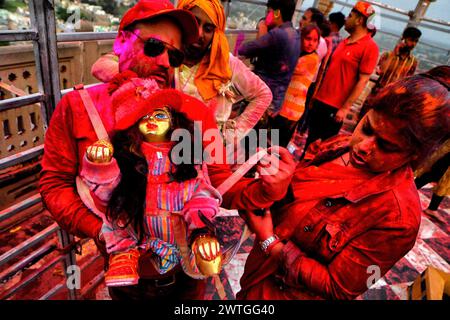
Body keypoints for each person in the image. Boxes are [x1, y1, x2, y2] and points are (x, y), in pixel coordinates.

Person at [40, 0, 296, 300]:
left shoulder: (195, 115)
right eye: (153, 47)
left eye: (174, 56)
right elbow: (54, 184)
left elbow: (221, 184)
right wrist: (106, 230)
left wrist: (267, 190)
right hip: (126, 273)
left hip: (187, 274)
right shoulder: (80, 108)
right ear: (122, 42)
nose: (164, 62)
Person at [237, 66, 450, 300]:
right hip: (257, 275)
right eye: (367, 128)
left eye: (386, 146)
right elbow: (299, 193)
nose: (363, 146)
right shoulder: (340, 145)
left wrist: (270, 242)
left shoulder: (397, 219)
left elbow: (340, 288)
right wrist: (279, 182)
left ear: (414, 155)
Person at [79, 74, 223, 288]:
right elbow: (107, 201)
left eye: (159, 115)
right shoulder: (124, 157)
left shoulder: (188, 153)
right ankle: (123, 253)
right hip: (139, 262)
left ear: (173, 119)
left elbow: (200, 193)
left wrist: (201, 231)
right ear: (131, 129)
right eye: (143, 118)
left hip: (182, 254)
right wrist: (100, 166)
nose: (152, 121)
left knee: (203, 262)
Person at [92, 0, 272, 147]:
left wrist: (231, 135)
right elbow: (101, 66)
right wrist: (144, 81)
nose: (200, 34)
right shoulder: (164, 56)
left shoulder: (225, 63)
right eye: (195, 22)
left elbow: (263, 95)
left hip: (209, 151)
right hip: (164, 144)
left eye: (208, 29)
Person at [305, 1, 379, 150]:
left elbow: (363, 80)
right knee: (309, 143)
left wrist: (345, 108)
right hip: (320, 101)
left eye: (350, 16)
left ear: (359, 20)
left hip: (335, 108)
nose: (346, 19)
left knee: (321, 148)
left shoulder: (370, 47)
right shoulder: (344, 42)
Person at [238, 0, 300, 129]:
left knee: (244, 136)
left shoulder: (277, 34)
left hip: (262, 97)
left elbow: (244, 50)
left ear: (276, 13)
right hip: (277, 99)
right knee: (259, 137)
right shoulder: (295, 34)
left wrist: (262, 28)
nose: (266, 16)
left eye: (268, 12)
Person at [358, 26, 422, 121]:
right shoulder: (387, 55)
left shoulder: (413, 62)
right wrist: (394, 54)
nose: (413, 44)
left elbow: (408, 82)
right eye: (411, 40)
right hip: (376, 96)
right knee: (362, 121)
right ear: (404, 38)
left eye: (416, 41)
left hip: (392, 100)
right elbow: (380, 71)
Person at [277, 25, 321, 146]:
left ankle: (265, 163)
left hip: (290, 110)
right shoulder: (299, 54)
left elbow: (284, 67)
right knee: (271, 140)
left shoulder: (312, 59)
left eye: (315, 40)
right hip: (284, 107)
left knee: (276, 144)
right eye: (308, 38)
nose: (311, 43)